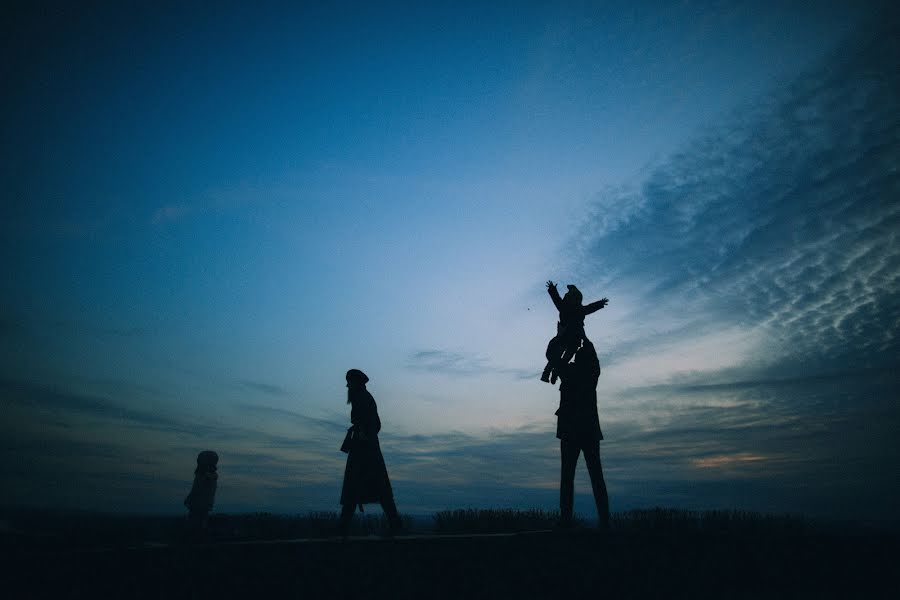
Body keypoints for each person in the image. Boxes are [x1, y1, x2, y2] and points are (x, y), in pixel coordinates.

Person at [339, 369, 402, 537]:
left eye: (349, 382)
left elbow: (374, 424)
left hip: (365, 452)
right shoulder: (363, 398)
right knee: (376, 490)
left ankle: (342, 527)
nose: (347, 386)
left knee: (362, 489)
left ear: (356, 383)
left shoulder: (362, 398)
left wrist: (363, 434)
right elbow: (376, 424)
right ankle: (395, 524)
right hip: (367, 450)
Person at [554, 337, 610, 529]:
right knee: (596, 478)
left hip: (571, 431)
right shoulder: (591, 373)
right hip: (588, 431)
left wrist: (563, 336)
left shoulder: (569, 372)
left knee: (568, 478)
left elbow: (551, 355)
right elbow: (592, 356)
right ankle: (605, 522)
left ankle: (566, 521)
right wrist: (582, 336)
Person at [541, 281, 608, 384]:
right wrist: (552, 289)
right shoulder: (568, 307)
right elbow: (557, 299)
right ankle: (549, 373)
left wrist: (599, 304)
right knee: (558, 356)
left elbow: (589, 308)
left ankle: (554, 372)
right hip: (567, 336)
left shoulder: (572, 308)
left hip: (572, 337)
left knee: (562, 356)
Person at [184, 450, 218, 534]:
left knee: (197, 523)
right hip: (200, 504)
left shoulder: (207, 476)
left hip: (200, 504)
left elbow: (198, 490)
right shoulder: (206, 475)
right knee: (198, 522)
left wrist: (191, 499)